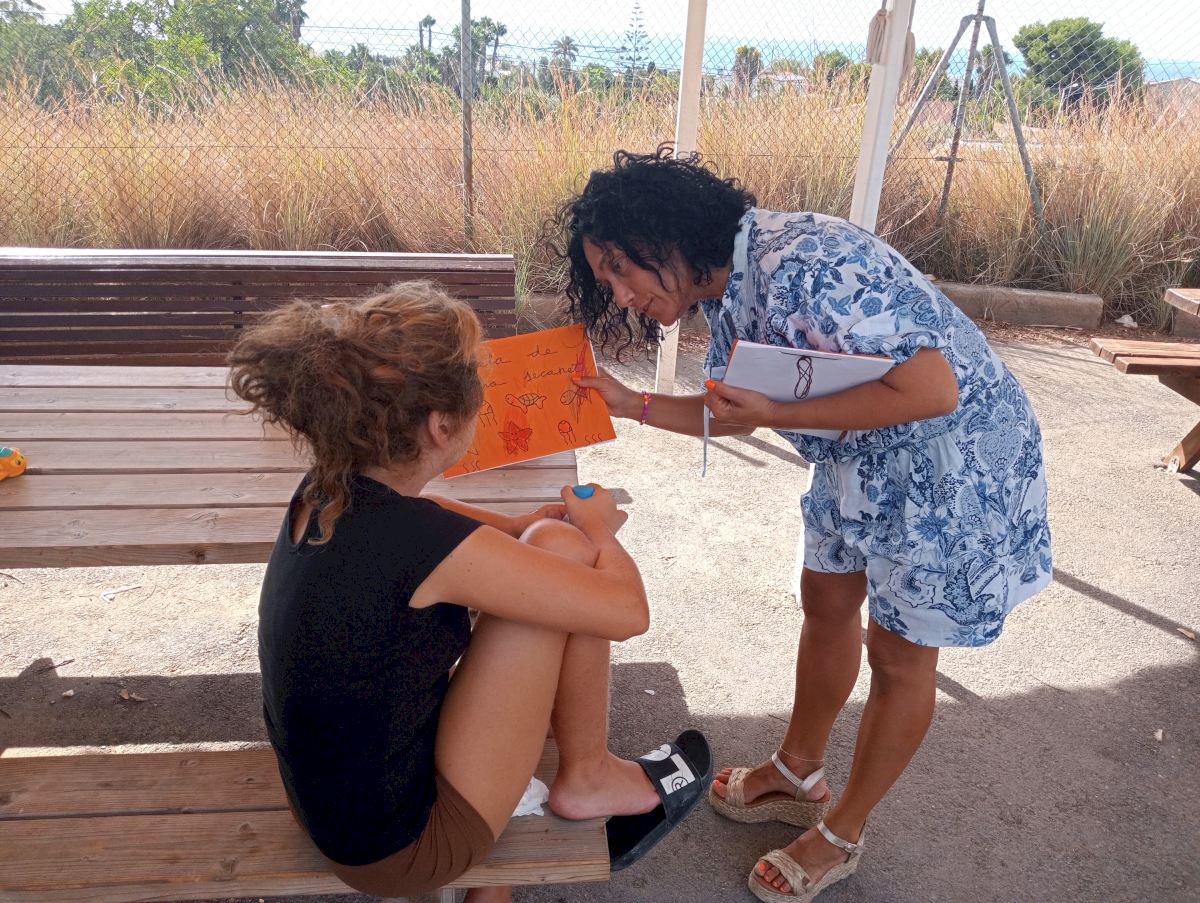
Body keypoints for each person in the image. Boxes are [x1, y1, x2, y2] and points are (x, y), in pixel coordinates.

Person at [554, 147, 1052, 902]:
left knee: (899, 655)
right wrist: (632, 404)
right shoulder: (727, 282)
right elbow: (739, 414)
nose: (620, 295)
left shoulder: (808, 265)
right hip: (860, 455)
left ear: (667, 234)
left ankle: (842, 831)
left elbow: (932, 388)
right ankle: (797, 771)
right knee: (825, 600)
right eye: (606, 281)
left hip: (950, 466)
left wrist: (781, 413)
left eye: (621, 269)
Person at [226, 282, 712, 902]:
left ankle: (511, 862)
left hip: (336, 810)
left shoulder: (329, 488)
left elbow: (431, 520)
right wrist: (598, 531)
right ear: (442, 426)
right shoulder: (415, 542)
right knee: (566, 551)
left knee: (543, 544)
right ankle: (588, 776)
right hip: (401, 850)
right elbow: (625, 612)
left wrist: (517, 526)